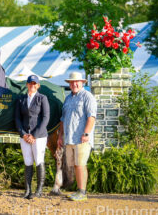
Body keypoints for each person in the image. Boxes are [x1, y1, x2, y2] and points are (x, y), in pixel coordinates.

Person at [57, 72, 97, 201]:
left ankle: (82, 192)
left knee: (80, 164)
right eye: (72, 82)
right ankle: (78, 191)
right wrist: (60, 136)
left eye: (77, 81)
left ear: (82, 83)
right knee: (75, 165)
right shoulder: (68, 98)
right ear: (69, 83)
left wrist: (86, 133)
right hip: (69, 138)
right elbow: (63, 119)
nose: (74, 84)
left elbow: (91, 117)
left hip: (81, 138)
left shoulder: (88, 97)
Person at [15, 75, 50, 199]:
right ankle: (28, 190)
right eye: (30, 83)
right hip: (24, 135)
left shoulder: (42, 98)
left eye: (35, 84)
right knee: (28, 162)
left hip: (39, 136)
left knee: (39, 160)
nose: (32, 85)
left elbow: (46, 118)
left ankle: (39, 190)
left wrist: (34, 135)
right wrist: (23, 134)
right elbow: (17, 118)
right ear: (27, 84)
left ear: (38, 85)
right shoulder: (21, 99)